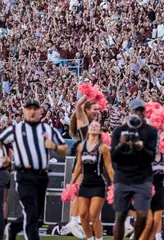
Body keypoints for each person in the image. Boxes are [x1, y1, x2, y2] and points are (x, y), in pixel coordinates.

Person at [1, 99, 68, 240]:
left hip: (42, 176)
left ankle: (13, 227)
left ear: (40, 111)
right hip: (24, 175)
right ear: (24, 110)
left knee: (35, 214)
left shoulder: (47, 129)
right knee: (31, 211)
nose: (32, 112)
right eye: (29, 108)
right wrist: (4, 157)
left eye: (35, 109)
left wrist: (54, 146)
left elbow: (65, 149)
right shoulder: (16, 129)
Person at [110, 99, 159, 240]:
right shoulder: (119, 131)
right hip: (123, 176)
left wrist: (141, 148)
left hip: (142, 177)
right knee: (120, 215)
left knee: (143, 215)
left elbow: (151, 156)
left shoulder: (151, 131)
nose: (138, 113)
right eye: (135, 110)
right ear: (129, 112)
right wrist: (121, 144)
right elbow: (113, 156)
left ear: (144, 112)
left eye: (141, 110)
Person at [70, 121, 114, 240]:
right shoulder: (81, 146)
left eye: (97, 126)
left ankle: (99, 238)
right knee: (83, 216)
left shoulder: (103, 148)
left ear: (100, 131)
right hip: (85, 184)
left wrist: (115, 185)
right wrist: (72, 183)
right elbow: (78, 166)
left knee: (94, 215)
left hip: (98, 184)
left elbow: (109, 168)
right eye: (92, 125)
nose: (94, 126)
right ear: (88, 129)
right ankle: (90, 238)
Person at [67, 96, 101, 239]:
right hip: (83, 160)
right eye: (95, 109)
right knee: (77, 188)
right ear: (86, 110)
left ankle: (81, 222)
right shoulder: (83, 120)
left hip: (93, 163)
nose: (97, 111)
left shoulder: (93, 123)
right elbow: (78, 104)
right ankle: (73, 221)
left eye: (98, 109)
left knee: (87, 193)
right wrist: (90, 93)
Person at [140, 152, 164, 240]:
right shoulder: (147, 157)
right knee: (148, 223)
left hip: (160, 192)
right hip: (147, 192)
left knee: (155, 224)